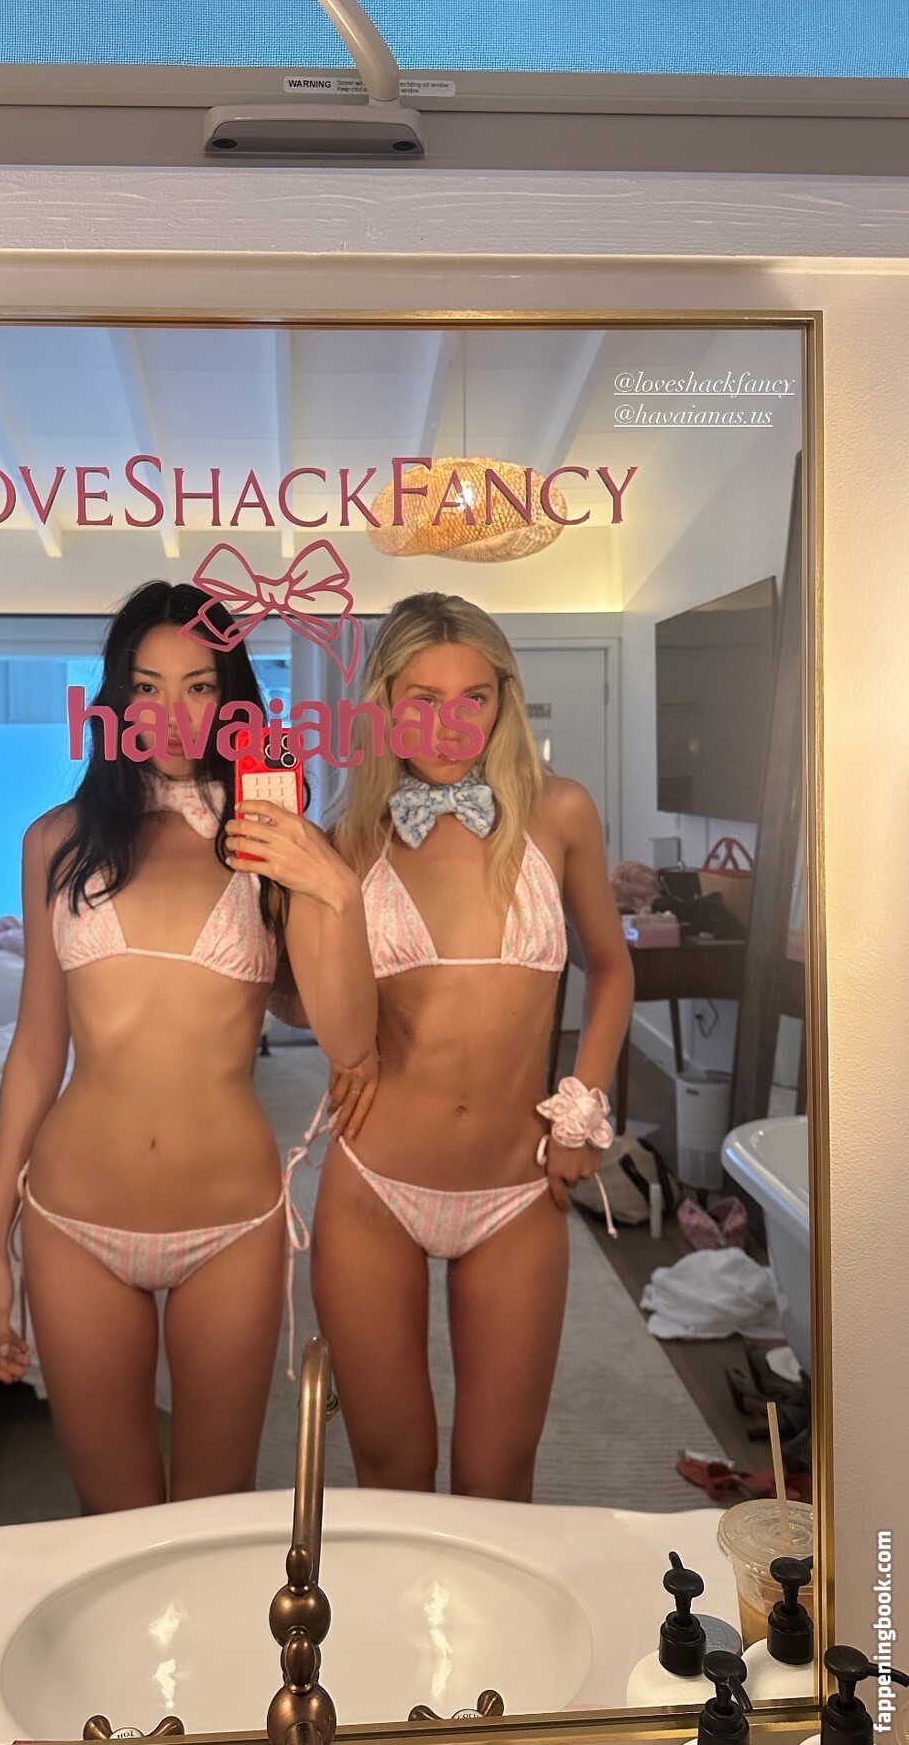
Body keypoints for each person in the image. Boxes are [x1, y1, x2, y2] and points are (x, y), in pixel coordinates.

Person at [0, 580, 375, 1513]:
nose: (173, 714)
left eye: (200, 686)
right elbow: (35, 1050)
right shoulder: (54, 843)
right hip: (72, 1218)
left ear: (233, 700)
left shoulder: (273, 843)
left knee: (214, 1521)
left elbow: (348, 1040)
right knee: (111, 1524)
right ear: (116, 700)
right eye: (147, 687)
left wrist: (335, 889)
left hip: (230, 1224)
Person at [311, 591, 634, 1503]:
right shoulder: (350, 838)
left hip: (516, 1188)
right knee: (392, 1471)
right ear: (382, 703)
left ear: (503, 700)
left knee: (498, 1480)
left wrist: (583, 1108)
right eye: (421, 698)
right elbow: (308, 1009)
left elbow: (612, 969)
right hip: (373, 1185)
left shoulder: (560, 813)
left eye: (473, 698)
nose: (449, 726)